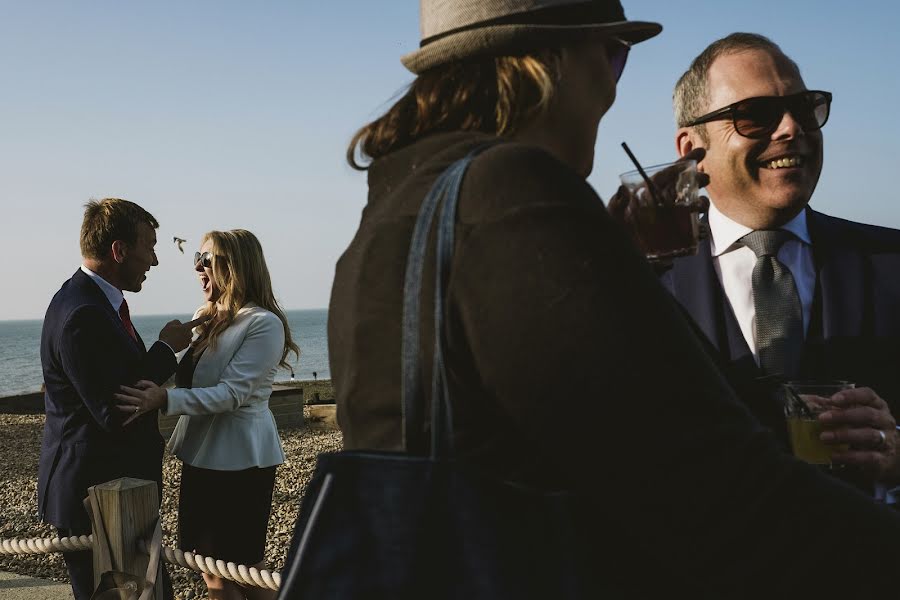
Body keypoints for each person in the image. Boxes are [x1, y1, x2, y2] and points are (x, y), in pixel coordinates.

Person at [328, 1, 900, 597]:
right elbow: (716, 487)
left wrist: (608, 260)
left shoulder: (397, 213)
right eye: (615, 54)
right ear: (550, 60)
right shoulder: (515, 196)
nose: (611, 86)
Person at [658, 33, 900, 494]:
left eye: (804, 108)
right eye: (755, 116)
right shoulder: (640, 280)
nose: (792, 127)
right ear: (692, 148)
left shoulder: (891, 262)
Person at [116, 229, 298, 600]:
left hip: (242, 462)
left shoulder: (263, 324)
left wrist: (164, 401)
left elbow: (233, 394)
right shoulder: (204, 317)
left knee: (241, 571)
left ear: (235, 268)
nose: (198, 267)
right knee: (208, 568)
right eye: (196, 258)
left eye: (207, 260)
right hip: (202, 456)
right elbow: (193, 377)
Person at [38, 198, 198, 600]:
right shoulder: (83, 315)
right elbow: (114, 409)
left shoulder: (87, 302)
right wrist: (165, 349)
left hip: (116, 494)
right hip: (97, 498)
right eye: (150, 247)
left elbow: (117, 383)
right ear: (119, 251)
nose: (156, 260)